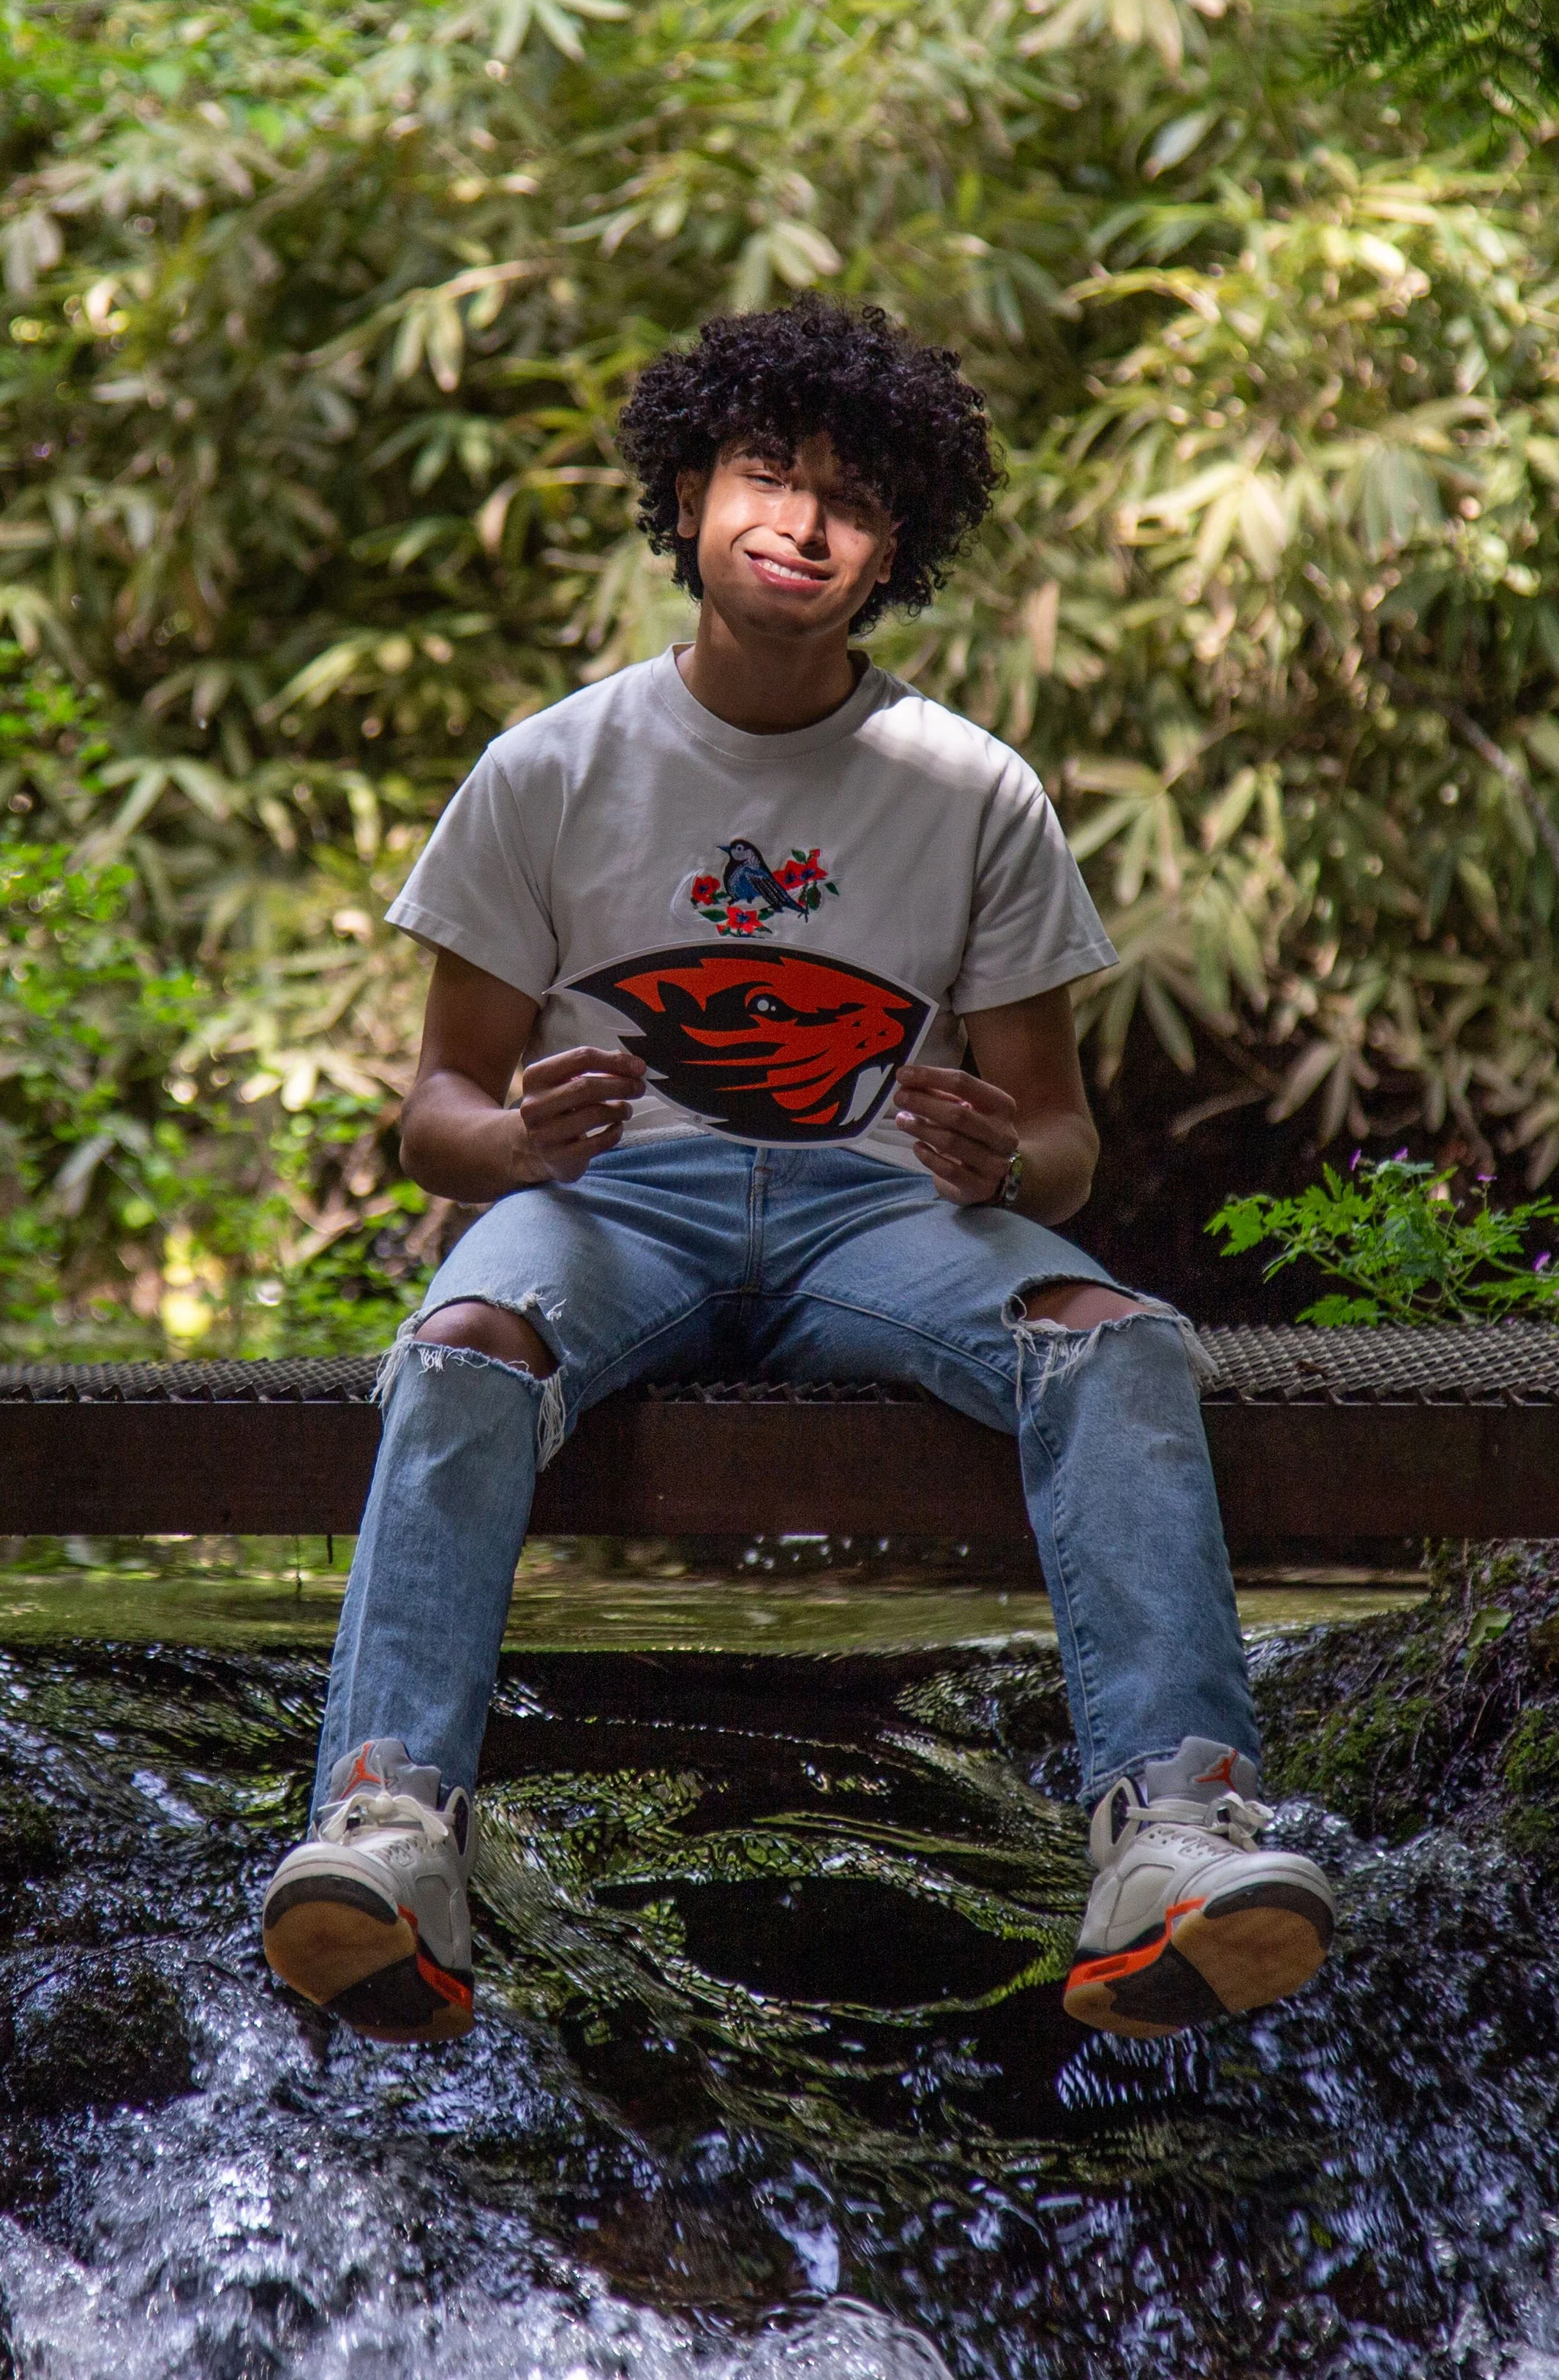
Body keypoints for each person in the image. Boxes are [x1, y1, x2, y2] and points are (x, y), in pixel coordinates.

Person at [260, 296, 1334, 2048]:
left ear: (894, 548)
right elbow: (432, 1113)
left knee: (1115, 1332)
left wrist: (1010, 1149)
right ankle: (390, 1838)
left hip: (884, 1218)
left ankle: (1179, 1842)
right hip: (614, 1211)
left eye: (853, 497)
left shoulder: (971, 788)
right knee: (463, 1338)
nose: (806, 521)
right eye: (769, 474)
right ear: (685, 494)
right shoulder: (551, 769)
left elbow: (1061, 1146)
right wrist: (520, 1141)